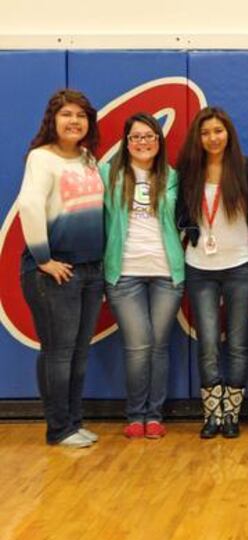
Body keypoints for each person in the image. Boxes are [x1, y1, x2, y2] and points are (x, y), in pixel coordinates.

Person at [17, 89, 104, 448]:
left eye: (81, 115)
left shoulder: (88, 158)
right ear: (53, 120)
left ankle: (73, 421)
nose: (74, 121)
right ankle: (58, 428)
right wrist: (44, 259)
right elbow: (31, 206)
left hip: (89, 270)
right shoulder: (41, 158)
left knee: (79, 352)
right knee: (58, 352)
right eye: (66, 114)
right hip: (56, 271)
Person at [101, 112, 184, 440]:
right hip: (124, 273)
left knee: (159, 346)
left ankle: (155, 415)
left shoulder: (172, 176)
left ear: (159, 141)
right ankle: (135, 414)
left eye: (149, 136)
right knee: (138, 346)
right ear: (126, 142)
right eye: (136, 137)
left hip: (166, 273)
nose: (143, 143)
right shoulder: (108, 174)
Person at [177, 107, 248, 439]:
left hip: (240, 264)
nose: (212, 138)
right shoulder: (187, 172)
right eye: (206, 132)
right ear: (198, 137)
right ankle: (212, 414)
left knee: (238, 343)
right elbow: (179, 214)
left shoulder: (246, 169)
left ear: (229, 135)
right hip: (200, 268)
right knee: (208, 343)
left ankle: (232, 414)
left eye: (218, 131)